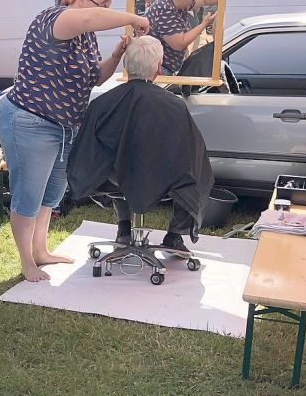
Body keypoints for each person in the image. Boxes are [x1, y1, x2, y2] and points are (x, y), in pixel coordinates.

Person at [0, 0, 151, 282]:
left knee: (50, 195)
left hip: (63, 126)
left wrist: (117, 56)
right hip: (31, 121)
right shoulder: (55, 19)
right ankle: (27, 262)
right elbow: (89, 18)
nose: (106, 11)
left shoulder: (85, 35)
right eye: (103, 4)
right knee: (28, 196)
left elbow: (95, 78)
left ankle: (40, 250)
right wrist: (135, 18)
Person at [67, 36, 214, 252]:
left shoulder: (101, 104)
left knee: (115, 165)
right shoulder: (174, 105)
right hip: (160, 180)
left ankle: (124, 228)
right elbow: (191, 154)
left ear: (126, 64)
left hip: (113, 180)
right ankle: (175, 234)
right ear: (158, 68)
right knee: (199, 171)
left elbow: (87, 151)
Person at [145, 0, 219, 75]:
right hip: (158, 69)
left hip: (166, 66)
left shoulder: (178, 0)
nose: (194, 1)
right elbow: (179, 43)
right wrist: (204, 24)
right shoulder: (165, 9)